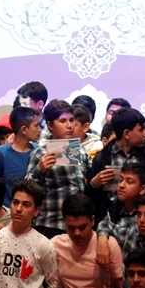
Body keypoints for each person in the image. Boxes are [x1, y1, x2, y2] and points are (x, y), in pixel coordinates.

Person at [0, 180, 60, 288]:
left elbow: (55, 284)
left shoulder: (44, 245)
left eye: (26, 205)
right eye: (15, 203)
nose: (19, 209)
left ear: (36, 211)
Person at [51, 193, 123, 288]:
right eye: (71, 228)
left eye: (82, 227)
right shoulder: (56, 245)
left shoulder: (108, 245)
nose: (77, 233)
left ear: (92, 221)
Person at [26, 101, 89, 238]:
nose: (69, 125)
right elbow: (26, 190)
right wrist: (39, 170)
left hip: (77, 226)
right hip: (49, 225)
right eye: (62, 121)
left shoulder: (81, 150)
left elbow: (86, 186)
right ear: (50, 125)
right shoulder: (40, 153)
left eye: (71, 120)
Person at [87, 107, 145, 220]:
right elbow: (90, 196)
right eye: (141, 130)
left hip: (138, 219)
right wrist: (94, 184)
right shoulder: (102, 157)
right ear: (127, 133)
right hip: (108, 220)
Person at [0, 106, 40, 206]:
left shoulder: (39, 151)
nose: (40, 130)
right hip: (7, 211)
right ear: (24, 129)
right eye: (36, 126)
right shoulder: (1, 153)